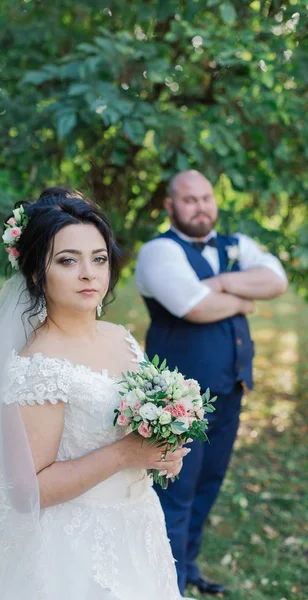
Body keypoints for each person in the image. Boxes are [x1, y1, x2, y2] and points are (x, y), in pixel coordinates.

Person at [0, 187, 193, 600]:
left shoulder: (122, 338)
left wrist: (163, 447)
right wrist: (126, 455)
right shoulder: (37, 364)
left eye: (98, 258)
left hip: (139, 525)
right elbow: (29, 492)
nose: (88, 273)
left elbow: (136, 429)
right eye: (67, 261)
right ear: (38, 273)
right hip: (75, 550)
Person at [135, 170, 288, 596]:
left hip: (229, 388)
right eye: (189, 199)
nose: (200, 206)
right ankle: (165, 583)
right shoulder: (158, 250)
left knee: (207, 484)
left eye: (206, 197)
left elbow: (277, 280)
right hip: (177, 399)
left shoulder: (235, 245)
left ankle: (187, 567)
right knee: (174, 492)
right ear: (169, 206)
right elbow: (192, 306)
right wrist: (244, 298)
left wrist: (220, 284)